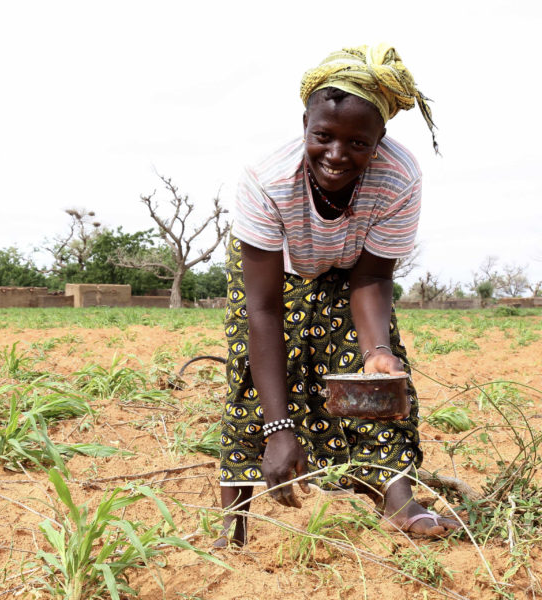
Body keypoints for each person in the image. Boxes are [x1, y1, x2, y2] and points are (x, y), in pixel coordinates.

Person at [217, 44, 460, 545]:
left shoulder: (399, 177)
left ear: (381, 139)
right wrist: (280, 428)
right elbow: (262, 309)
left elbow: (371, 278)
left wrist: (377, 350)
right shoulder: (266, 179)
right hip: (273, 275)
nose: (337, 155)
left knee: (376, 380)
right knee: (252, 375)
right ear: (304, 122)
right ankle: (233, 523)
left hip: (352, 271)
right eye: (323, 136)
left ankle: (397, 499)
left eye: (358, 143)